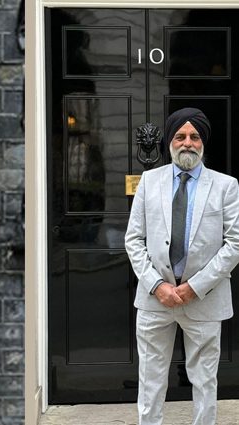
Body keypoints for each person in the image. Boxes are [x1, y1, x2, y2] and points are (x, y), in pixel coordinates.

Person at [126, 107, 239, 425]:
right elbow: (134, 239)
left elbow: (234, 244)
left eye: (194, 136)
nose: (187, 142)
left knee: (204, 381)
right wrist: (156, 285)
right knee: (150, 380)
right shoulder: (149, 182)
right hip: (155, 299)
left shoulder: (226, 186)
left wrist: (195, 287)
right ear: (170, 142)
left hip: (204, 299)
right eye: (180, 136)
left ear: (203, 142)